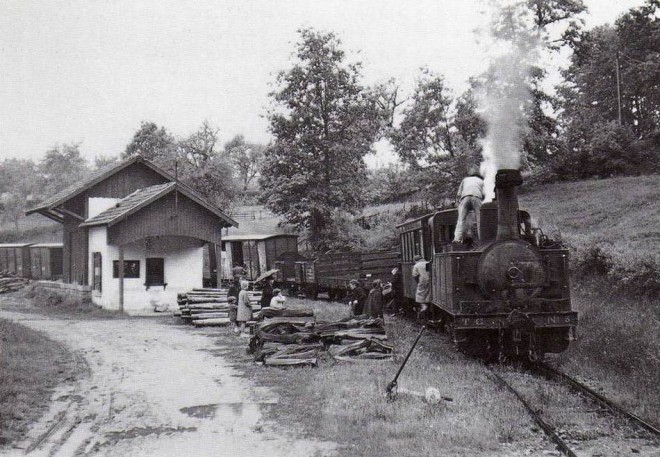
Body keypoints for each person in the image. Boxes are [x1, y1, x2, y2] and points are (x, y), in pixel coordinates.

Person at [453, 166, 484, 243]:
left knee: (461, 219)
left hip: (465, 197)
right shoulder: (481, 181)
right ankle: (482, 239)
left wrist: (459, 204)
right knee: (480, 220)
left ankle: (457, 239)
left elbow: (459, 194)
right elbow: (484, 195)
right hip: (476, 197)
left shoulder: (465, 180)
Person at [412, 255, 430, 320]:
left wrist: (418, 281)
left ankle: (424, 306)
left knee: (419, 294)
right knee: (428, 292)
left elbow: (414, 275)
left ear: (415, 260)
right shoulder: (427, 263)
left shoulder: (416, 265)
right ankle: (428, 302)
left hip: (422, 281)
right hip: (430, 280)